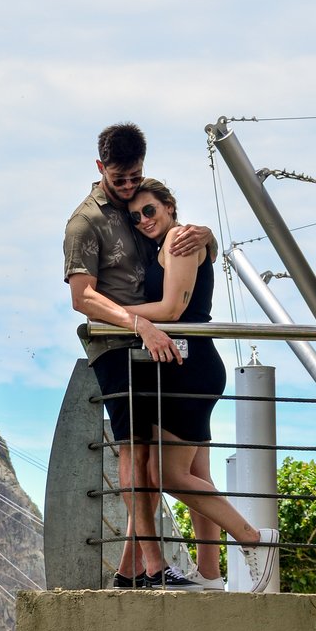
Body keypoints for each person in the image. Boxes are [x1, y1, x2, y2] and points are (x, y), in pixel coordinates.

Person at [64, 123, 215, 590]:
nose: (129, 186)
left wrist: (207, 235)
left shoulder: (135, 208)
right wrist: (138, 323)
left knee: (151, 460)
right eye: (120, 178)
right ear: (99, 167)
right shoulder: (84, 222)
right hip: (118, 345)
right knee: (135, 450)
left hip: (151, 346)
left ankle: (130, 571)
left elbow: (172, 239)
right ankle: (153, 566)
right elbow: (82, 298)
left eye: (135, 176)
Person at [126, 178, 279, 594]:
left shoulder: (179, 240)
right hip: (191, 363)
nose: (143, 220)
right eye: (135, 216)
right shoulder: (181, 240)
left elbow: (172, 310)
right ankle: (209, 573)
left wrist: (112, 311)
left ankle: (253, 538)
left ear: (169, 206)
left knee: (168, 474)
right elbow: (204, 256)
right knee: (196, 473)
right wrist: (208, 235)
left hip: (188, 366)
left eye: (149, 210)